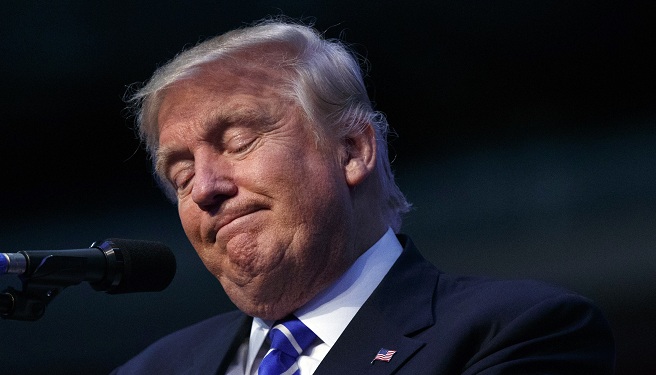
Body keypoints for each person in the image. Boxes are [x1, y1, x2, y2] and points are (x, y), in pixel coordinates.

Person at [112, 18, 614, 374]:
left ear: (352, 151)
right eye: (180, 176)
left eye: (239, 143)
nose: (204, 189)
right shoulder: (149, 368)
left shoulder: (515, 333)